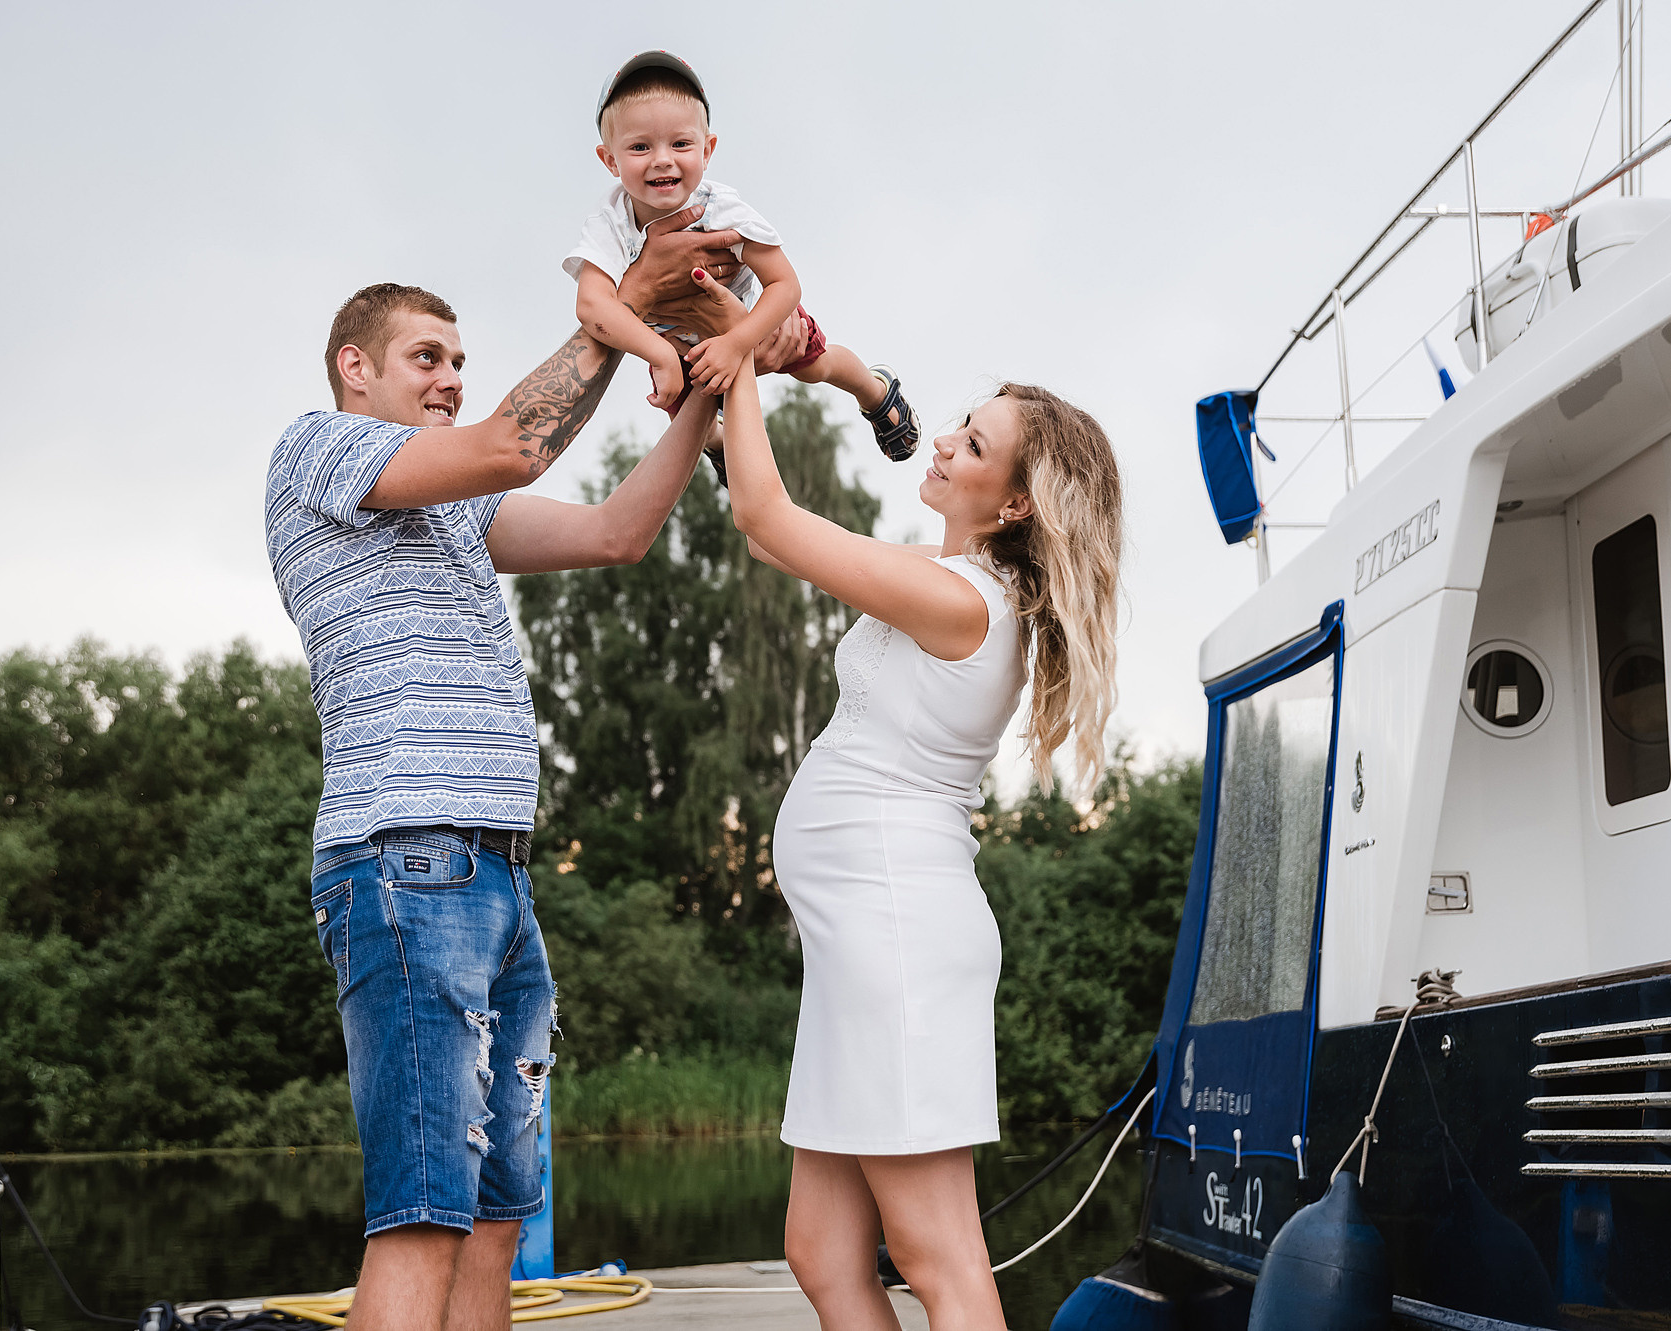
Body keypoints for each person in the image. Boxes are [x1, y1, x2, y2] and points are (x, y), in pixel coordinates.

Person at [263, 232, 806, 1331]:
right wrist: (617, 311)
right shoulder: (315, 450)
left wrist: (707, 382)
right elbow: (513, 444)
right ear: (353, 367)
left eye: (459, 358)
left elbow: (616, 532)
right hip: (407, 860)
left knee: (499, 1216)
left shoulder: (451, 508)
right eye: (426, 356)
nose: (450, 375)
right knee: (423, 1213)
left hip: (500, 874)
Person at [713, 335, 1124, 1330]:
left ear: (1014, 500)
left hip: (895, 938)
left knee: (938, 1255)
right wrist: (754, 387)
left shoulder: (959, 601)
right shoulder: (943, 579)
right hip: (859, 943)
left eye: (971, 442)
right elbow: (767, 536)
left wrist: (731, 363)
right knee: (819, 1249)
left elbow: (766, 511)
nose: (939, 443)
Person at [566, 50, 921, 463]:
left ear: (707, 149)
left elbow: (785, 284)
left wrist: (738, 342)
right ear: (610, 159)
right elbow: (591, 303)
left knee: (813, 368)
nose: (662, 158)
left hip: (758, 322)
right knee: (684, 423)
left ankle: (874, 390)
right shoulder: (610, 224)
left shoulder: (721, 210)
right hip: (679, 345)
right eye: (640, 147)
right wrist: (659, 352)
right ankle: (719, 448)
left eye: (680, 143)